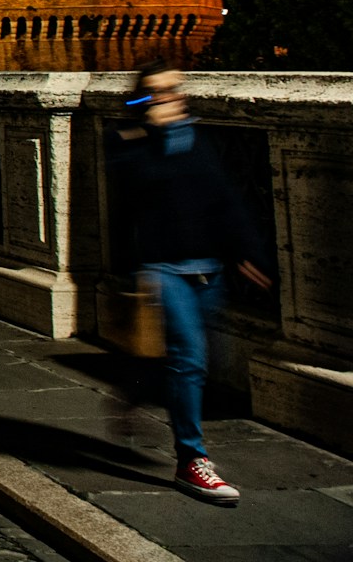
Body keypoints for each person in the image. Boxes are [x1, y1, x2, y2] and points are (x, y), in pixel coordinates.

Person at [105, 63, 272, 506]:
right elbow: (128, 205)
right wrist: (129, 273)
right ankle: (191, 461)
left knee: (200, 361)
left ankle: (134, 391)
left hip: (209, 268)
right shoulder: (128, 143)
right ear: (142, 99)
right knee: (190, 358)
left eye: (174, 90)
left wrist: (248, 252)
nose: (169, 98)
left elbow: (224, 201)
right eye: (157, 93)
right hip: (162, 269)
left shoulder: (199, 140)